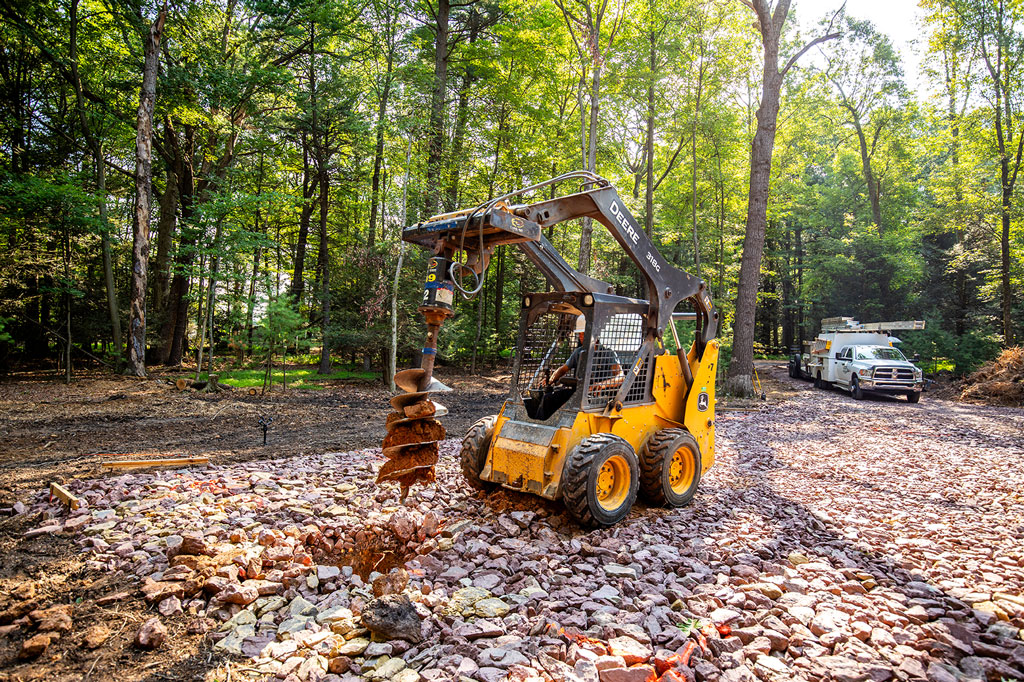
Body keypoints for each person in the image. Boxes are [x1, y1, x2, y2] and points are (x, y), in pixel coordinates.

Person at [548, 315, 624, 394]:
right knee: (551, 398)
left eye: (583, 334)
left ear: (594, 334)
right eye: (579, 334)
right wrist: (550, 381)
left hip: (599, 397)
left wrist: (603, 384)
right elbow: (563, 369)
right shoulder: (578, 352)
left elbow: (621, 377)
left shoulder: (608, 353)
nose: (581, 337)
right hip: (579, 394)